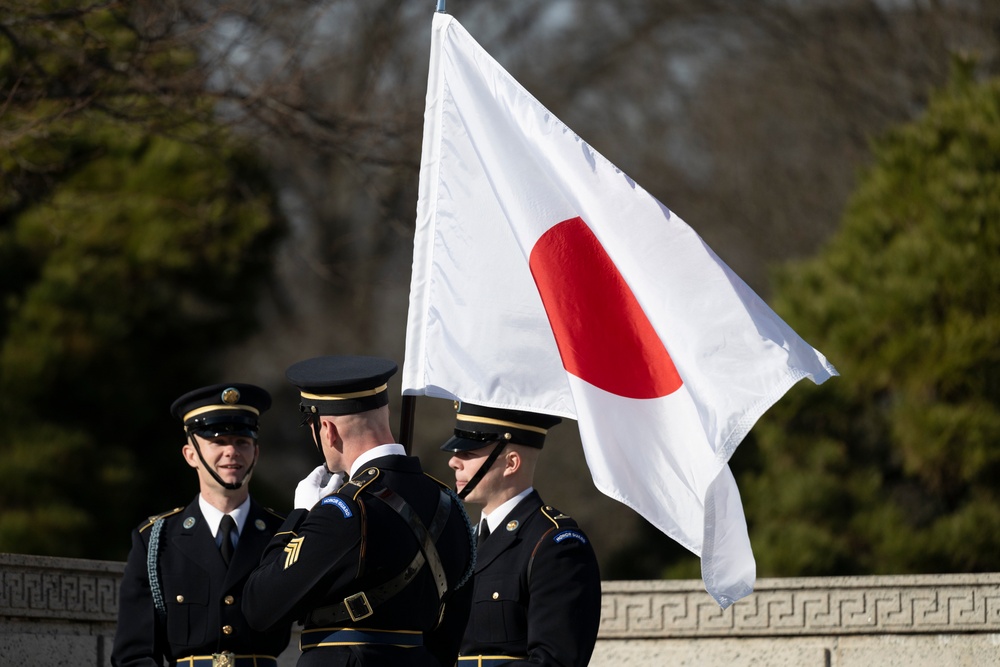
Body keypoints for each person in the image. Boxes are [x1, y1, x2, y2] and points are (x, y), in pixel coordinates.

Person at [242, 355, 475, 667]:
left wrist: (301, 515)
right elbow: (452, 626)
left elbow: (260, 605)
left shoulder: (344, 509)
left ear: (328, 430)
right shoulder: (449, 503)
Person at [112, 383, 291, 667]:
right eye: (218, 442)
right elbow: (133, 655)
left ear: (256, 453)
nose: (232, 452)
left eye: (242, 442)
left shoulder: (284, 533)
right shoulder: (155, 540)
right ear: (190, 455)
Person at [441, 401, 602, 667]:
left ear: (511, 463)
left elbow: (555, 662)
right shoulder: (464, 542)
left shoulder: (557, 545)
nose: (453, 461)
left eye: (468, 453)